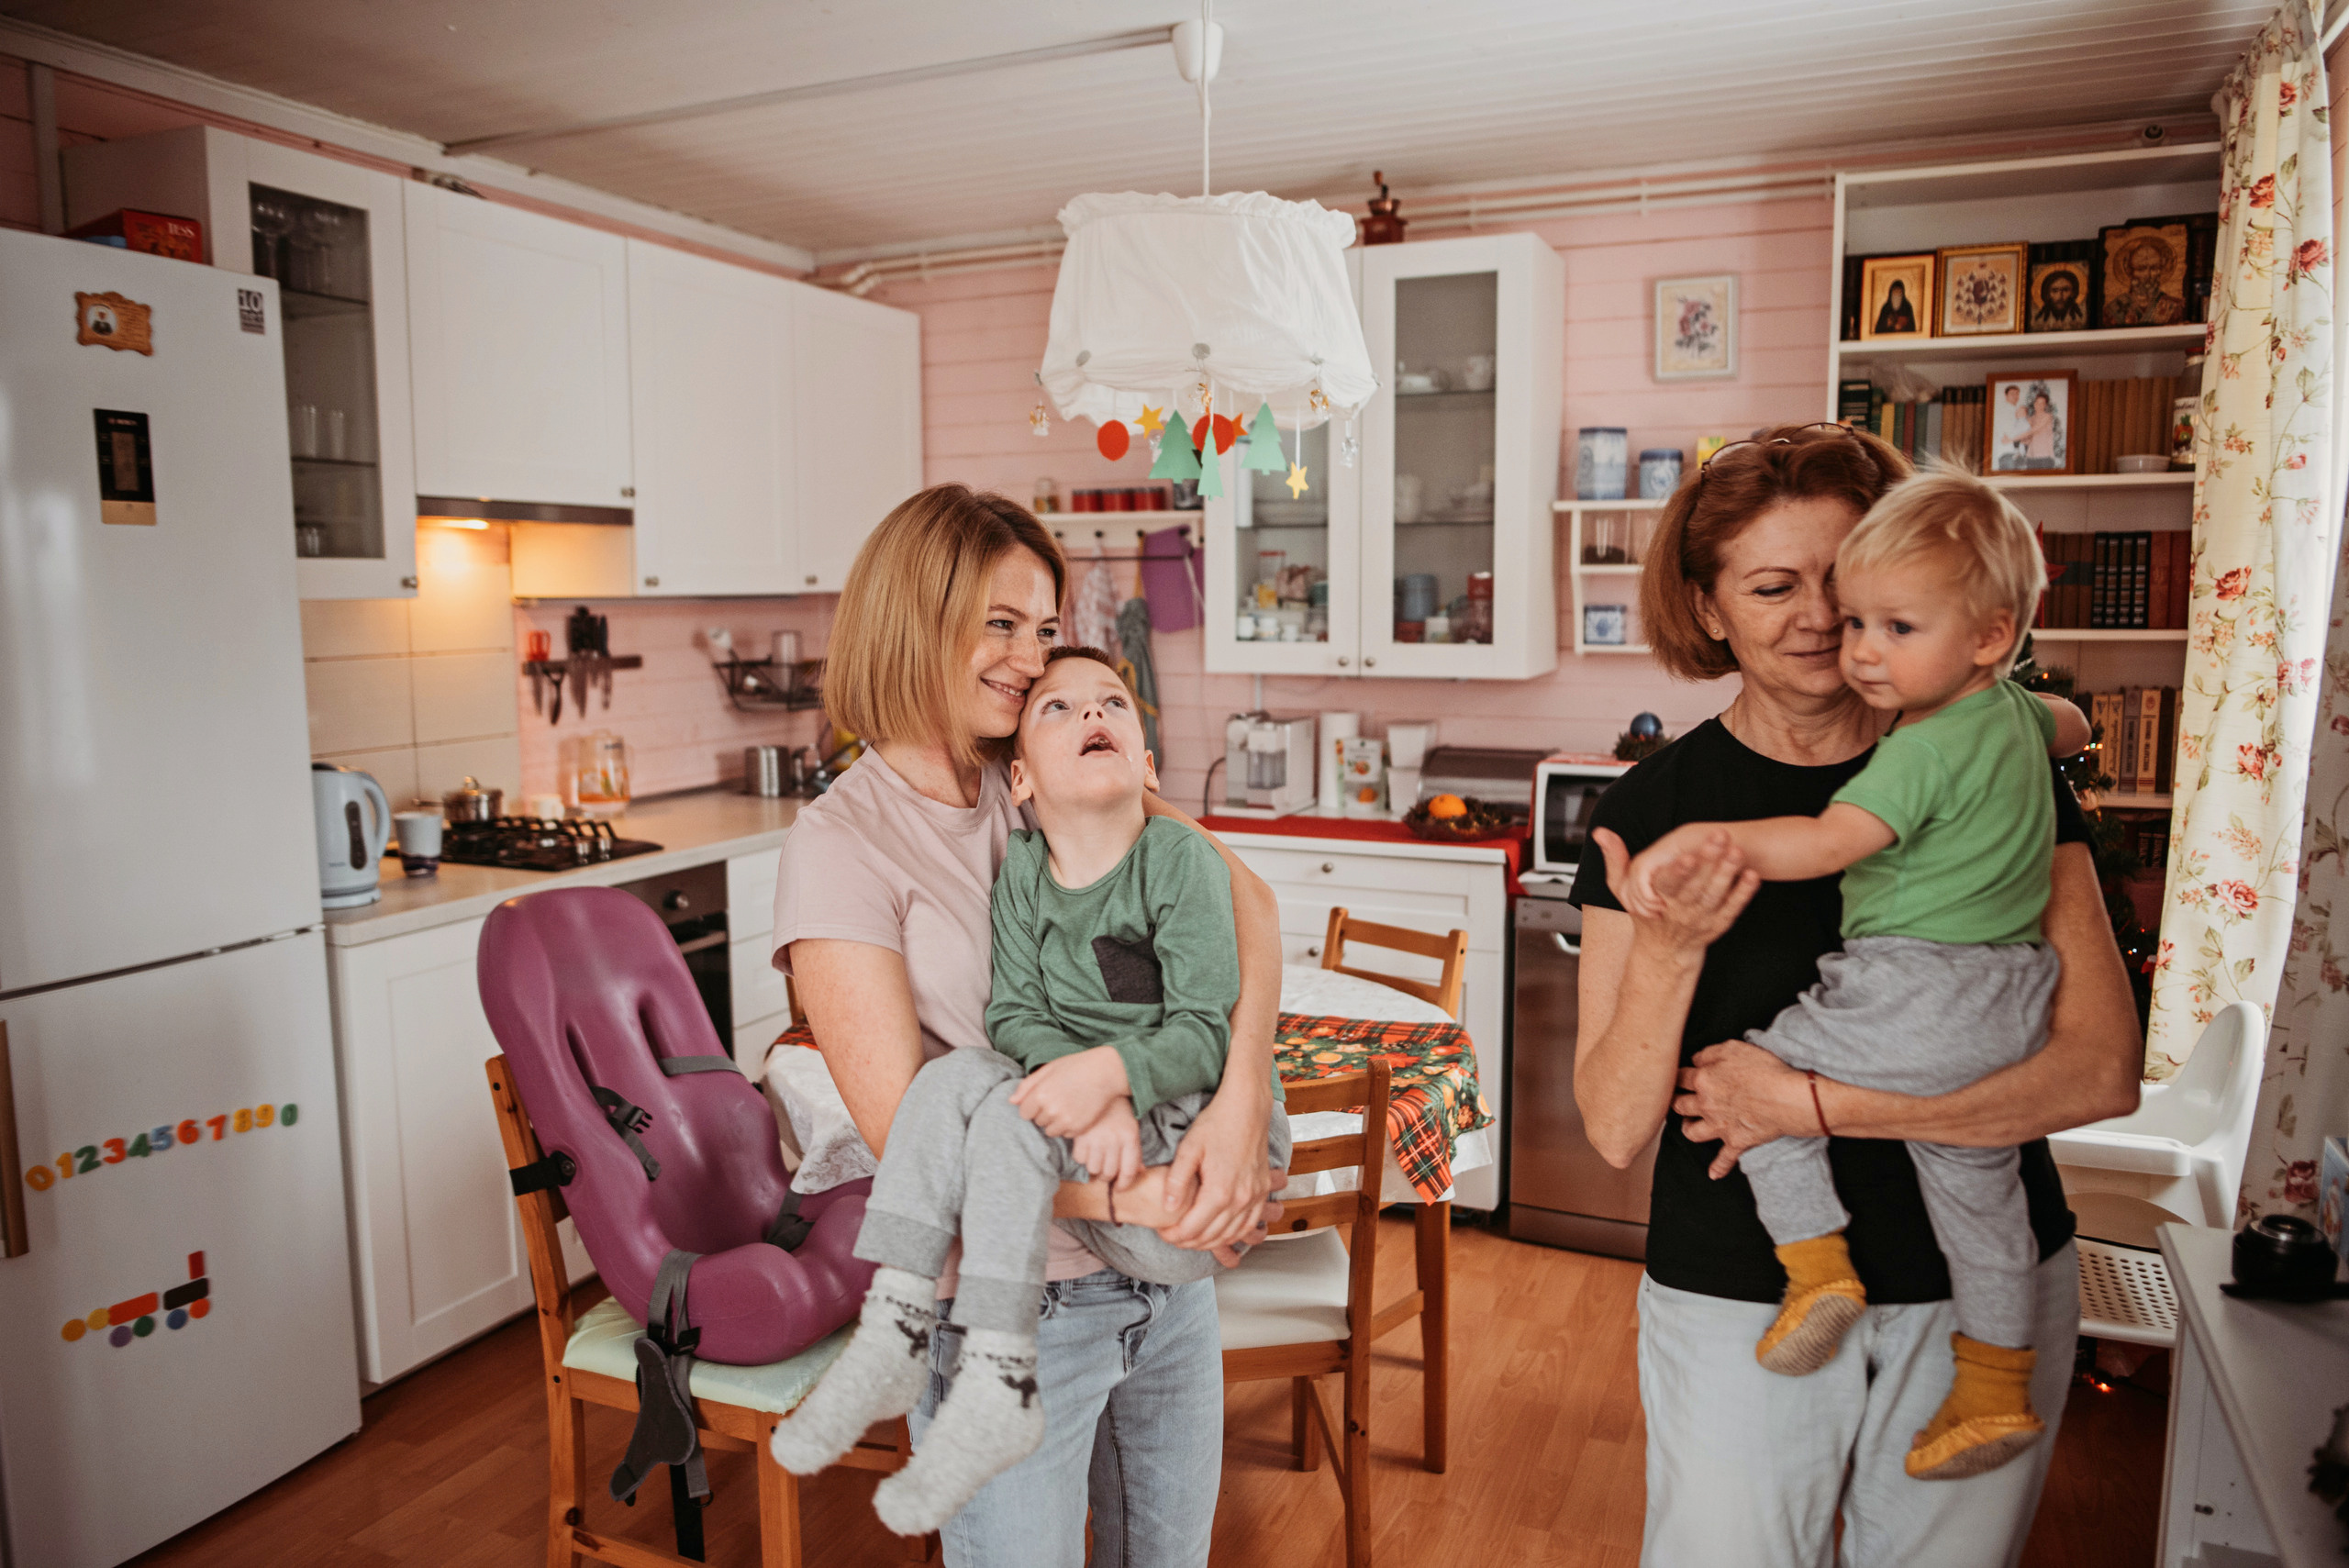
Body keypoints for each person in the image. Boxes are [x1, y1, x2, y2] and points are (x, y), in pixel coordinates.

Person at [1572, 422, 2142, 1567]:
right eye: (1773, 585)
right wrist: (1673, 947)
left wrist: (1811, 1107)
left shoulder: (1989, 762)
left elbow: (2099, 1069)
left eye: (1843, 578)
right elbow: (1616, 1127)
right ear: (1708, 605)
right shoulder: (1651, 814)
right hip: (1744, 1294)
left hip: (1973, 1288)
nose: (1820, 616)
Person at [769, 485, 1283, 1567]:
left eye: (1042, 627)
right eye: (998, 623)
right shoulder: (842, 842)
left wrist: (1236, 1117)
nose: (1028, 656)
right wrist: (1130, 1196)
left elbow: (1249, 910)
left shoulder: (1057, 765)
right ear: (917, 617)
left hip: (1165, 1284)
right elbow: (916, 1128)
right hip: (1020, 1309)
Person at [2028, 268, 2086, 332]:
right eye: (2055, 291)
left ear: (2073, 293)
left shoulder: (2081, 318)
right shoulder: (2038, 321)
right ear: (2048, 294)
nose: (2060, 296)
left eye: (2065, 290)